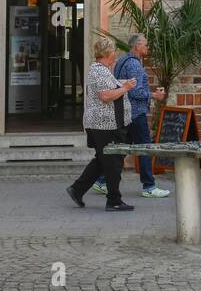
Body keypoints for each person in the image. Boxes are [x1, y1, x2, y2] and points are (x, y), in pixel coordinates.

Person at [92, 33, 170, 198]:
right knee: (145, 148)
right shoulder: (134, 65)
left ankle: (101, 180)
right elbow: (135, 92)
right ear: (138, 46)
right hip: (136, 113)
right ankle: (149, 186)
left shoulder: (121, 60)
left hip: (125, 112)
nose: (148, 48)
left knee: (121, 149)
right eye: (146, 45)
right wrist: (154, 95)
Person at [66, 36, 137, 211]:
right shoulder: (99, 70)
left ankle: (77, 189)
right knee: (112, 162)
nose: (115, 54)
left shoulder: (102, 70)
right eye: (113, 51)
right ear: (107, 53)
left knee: (103, 160)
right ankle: (113, 200)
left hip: (106, 124)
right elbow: (105, 96)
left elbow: (108, 88)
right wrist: (125, 88)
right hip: (104, 125)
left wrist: (123, 84)